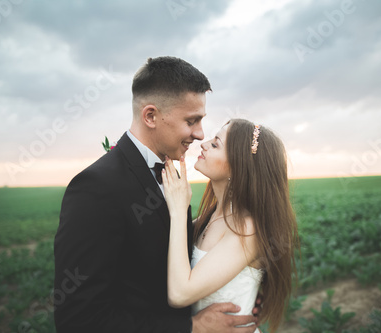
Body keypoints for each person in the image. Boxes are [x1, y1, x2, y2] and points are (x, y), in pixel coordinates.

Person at [53, 57, 262, 332]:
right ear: (150, 116)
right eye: (192, 120)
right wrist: (191, 328)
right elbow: (79, 320)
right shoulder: (95, 189)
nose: (200, 134)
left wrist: (245, 287)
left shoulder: (173, 177)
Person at [162, 119, 301, 333]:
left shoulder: (247, 229)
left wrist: (179, 209)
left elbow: (180, 294)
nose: (203, 143)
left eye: (216, 144)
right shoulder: (210, 217)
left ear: (238, 167)